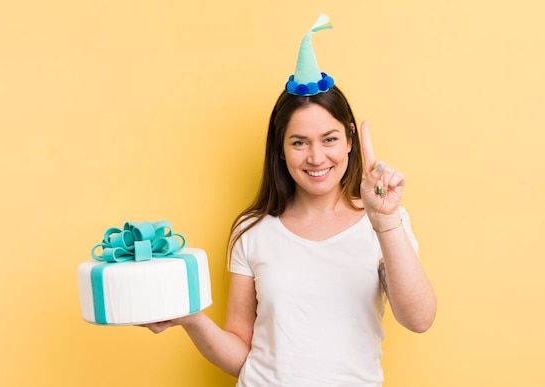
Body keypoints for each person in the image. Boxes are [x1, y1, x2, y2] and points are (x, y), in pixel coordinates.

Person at [144, 14, 436, 386]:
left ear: (350, 140)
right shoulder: (252, 230)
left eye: (329, 139)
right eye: (299, 142)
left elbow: (419, 318)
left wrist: (384, 222)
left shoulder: (386, 223)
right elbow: (241, 353)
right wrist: (191, 319)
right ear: (280, 149)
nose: (316, 157)